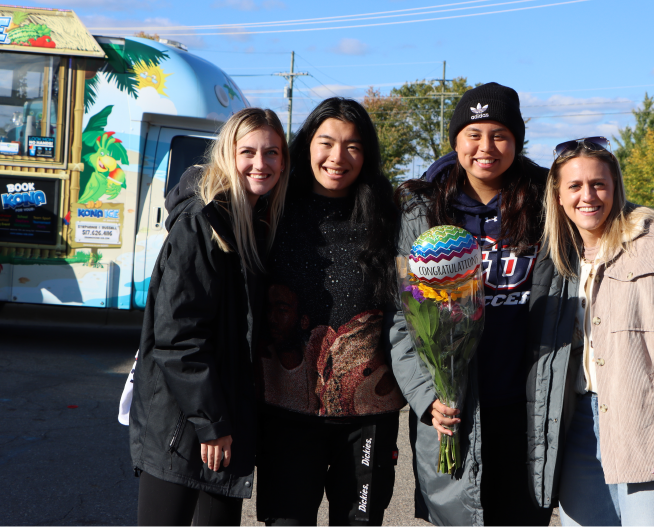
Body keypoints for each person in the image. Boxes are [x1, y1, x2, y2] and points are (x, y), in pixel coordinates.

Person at [388, 82, 580, 527]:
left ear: (517, 142)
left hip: (527, 404)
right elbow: (401, 319)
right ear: (456, 141)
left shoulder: (550, 204)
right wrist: (427, 397)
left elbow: (604, 211)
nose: (486, 147)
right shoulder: (421, 210)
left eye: (500, 135)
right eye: (473, 134)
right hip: (453, 406)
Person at [543, 137, 654, 527]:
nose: (587, 196)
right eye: (575, 186)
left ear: (615, 188)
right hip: (580, 433)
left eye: (599, 184)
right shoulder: (557, 259)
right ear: (558, 196)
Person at [129, 108, 289, 527]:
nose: (260, 163)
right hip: (185, 425)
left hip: (223, 422)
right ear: (227, 155)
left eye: (272, 152)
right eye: (248, 152)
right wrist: (211, 423)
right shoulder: (202, 222)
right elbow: (178, 336)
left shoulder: (253, 222)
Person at [255, 97, 406, 527]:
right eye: (326, 142)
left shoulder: (389, 217)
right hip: (286, 413)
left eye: (352, 146)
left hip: (368, 418)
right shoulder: (272, 211)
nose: (338, 157)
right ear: (306, 145)